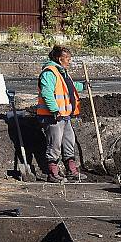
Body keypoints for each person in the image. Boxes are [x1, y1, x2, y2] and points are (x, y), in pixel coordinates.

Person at [37, 45, 87, 182]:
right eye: (68, 59)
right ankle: (53, 173)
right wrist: (54, 110)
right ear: (60, 59)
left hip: (64, 116)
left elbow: (69, 86)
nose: (69, 61)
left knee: (69, 142)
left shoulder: (62, 73)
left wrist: (83, 86)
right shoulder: (49, 73)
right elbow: (47, 93)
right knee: (55, 144)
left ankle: (71, 171)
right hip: (53, 116)